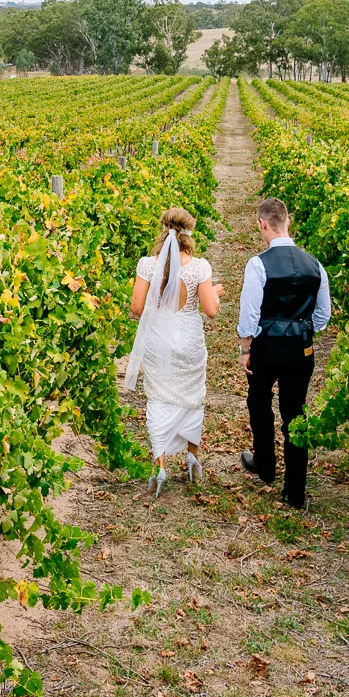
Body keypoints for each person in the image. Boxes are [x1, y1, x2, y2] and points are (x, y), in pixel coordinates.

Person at [237, 197, 331, 509]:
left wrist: (245, 348)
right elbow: (323, 314)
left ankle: (265, 464)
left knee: (259, 402)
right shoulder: (315, 264)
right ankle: (295, 490)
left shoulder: (258, 264)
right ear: (287, 222)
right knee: (295, 412)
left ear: (262, 225)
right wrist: (303, 331)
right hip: (300, 349)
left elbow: (249, 312)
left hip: (266, 347)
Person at [124, 206, 222, 495]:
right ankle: (192, 457)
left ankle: (161, 466)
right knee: (192, 397)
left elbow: (137, 307)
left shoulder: (147, 265)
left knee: (158, 399)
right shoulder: (199, 267)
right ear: (189, 234)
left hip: (158, 340)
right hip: (188, 340)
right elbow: (211, 311)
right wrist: (214, 293)